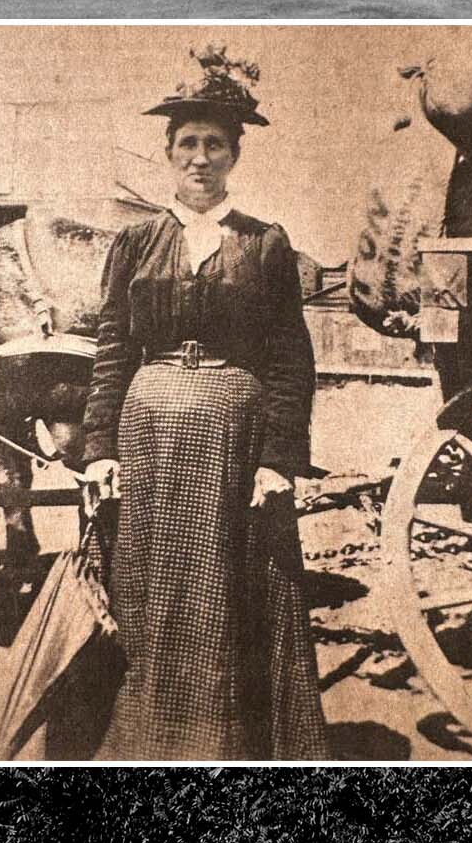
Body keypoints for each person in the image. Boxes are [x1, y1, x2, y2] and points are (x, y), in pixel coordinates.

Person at [80, 44, 328, 760]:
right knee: (149, 583)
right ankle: (149, 739)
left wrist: (278, 460)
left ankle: (228, 740)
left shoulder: (265, 243)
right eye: (187, 143)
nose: (200, 158)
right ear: (168, 152)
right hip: (148, 433)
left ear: (234, 156)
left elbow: (290, 359)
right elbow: (112, 350)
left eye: (214, 145)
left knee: (232, 585)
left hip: (233, 434)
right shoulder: (135, 242)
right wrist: (99, 449)